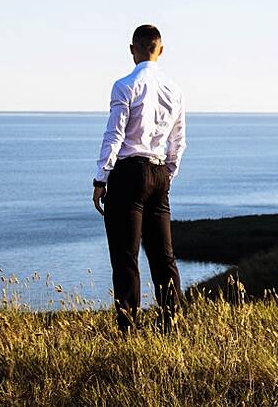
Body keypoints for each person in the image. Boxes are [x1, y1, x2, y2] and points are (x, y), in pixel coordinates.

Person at [93, 24, 187, 332]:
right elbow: (179, 140)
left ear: (133, 49)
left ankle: (128, 328)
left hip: (129, 173)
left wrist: (100, 177)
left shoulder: (124, 85)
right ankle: (172, 323)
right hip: (159, 173)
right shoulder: (174, 89)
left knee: (125, 256)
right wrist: (167, 174)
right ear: (160, 50)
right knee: (164, 256)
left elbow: (115, 133)